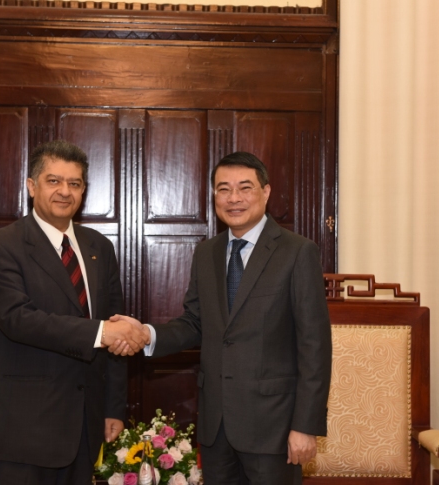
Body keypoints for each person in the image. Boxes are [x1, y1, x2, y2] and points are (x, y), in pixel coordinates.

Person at [111, 151, 332, 485]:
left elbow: (315, 346)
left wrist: (305, 425)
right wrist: (146, 334)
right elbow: (194, 323)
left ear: (266, 192)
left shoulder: (297, 251)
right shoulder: (207, 252)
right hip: (216, 426)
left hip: (274, 427)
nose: (234, 198)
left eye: (245, 188)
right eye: (223, 189)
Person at [0, 140, 148, 485]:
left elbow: (114, 324)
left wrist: (113, 407)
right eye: (53, 181)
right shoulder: (0, 246)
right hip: (24, 428)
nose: (65, 191)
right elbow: (17, 319)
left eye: (74, 183)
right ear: (31, 186)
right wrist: (101, 333)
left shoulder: (99, 247)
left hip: (85, 425)